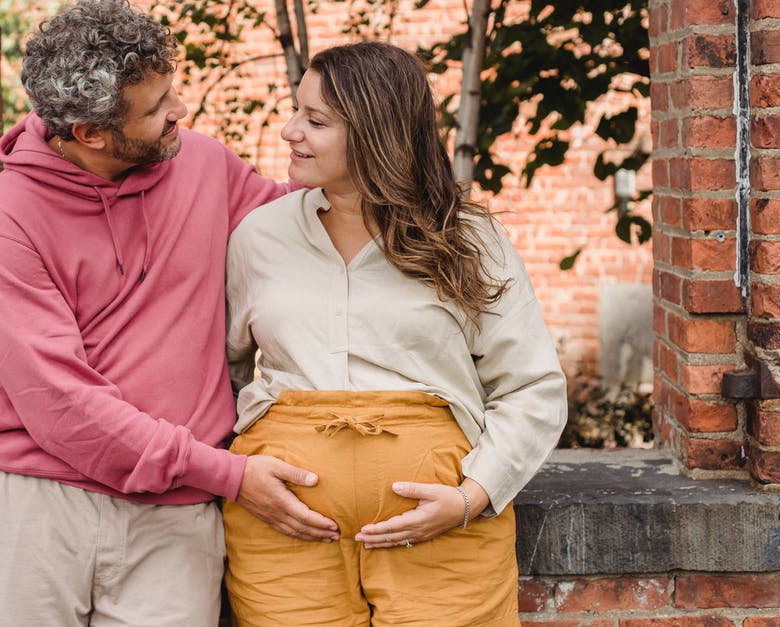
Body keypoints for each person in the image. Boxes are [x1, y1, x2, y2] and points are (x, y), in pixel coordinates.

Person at [0, 2, 339, 625]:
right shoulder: (2, 220)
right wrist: (229, 474)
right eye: (158, 106)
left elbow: (303, 225)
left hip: (176, 517)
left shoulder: (204, 166)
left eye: (172, 91)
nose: (179, 112)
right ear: (91, 133)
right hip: (37, 506)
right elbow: (57, 401)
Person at [224, 41, 568, 626]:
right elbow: (221, 374)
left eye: (315, 120)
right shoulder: (259, 237)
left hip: (442, 532)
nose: (289, 132)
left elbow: (531, 385)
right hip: (285, 530)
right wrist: (238, 474)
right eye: (295, 111)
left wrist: (471, 497)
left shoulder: (467, 239)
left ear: (374, 133)